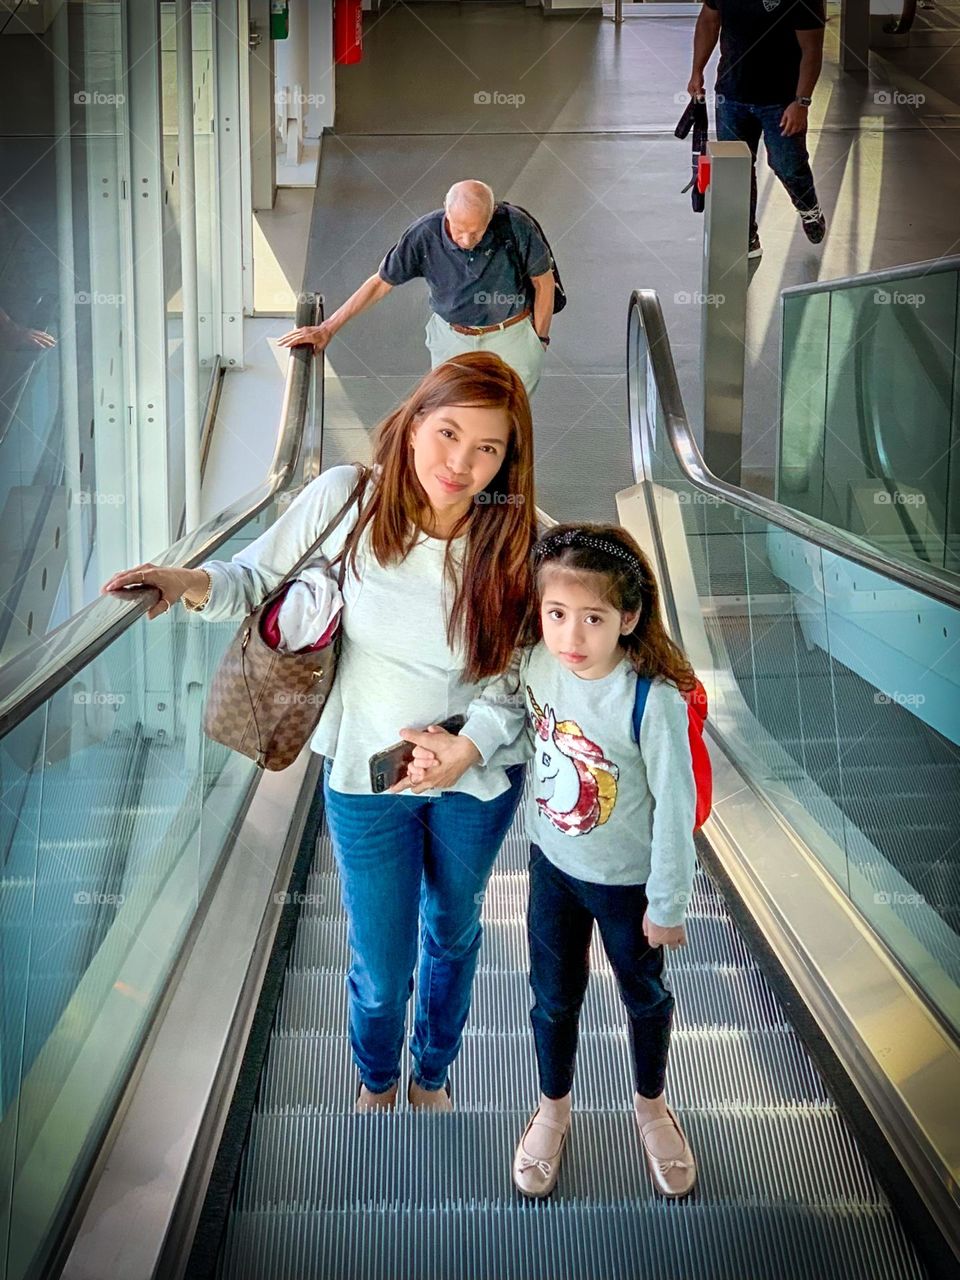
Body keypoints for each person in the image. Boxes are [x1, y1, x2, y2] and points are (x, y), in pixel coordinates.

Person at [101, 352, 537, 1114]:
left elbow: (531, 681)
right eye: (447, 434)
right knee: (381, 958)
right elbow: (253, 580)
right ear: (411, 426)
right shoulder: (348, 502)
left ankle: (432, 1072)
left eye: (488, 448)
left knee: (454, 931)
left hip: (474, 784)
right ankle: (376, 1078)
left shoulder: (522, 543)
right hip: (366, 786)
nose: (461, 464)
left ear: (509, 459)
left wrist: (468, 746)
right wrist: (186, 581)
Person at [512, 524, 699, 1198]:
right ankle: (553, 1109)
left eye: (593, 618)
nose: (572, 637)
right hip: (552, 870)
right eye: (556, 614)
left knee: (642, 996)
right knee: (553, 1000)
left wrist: (668, 904)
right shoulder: (535, 663)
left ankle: (651, 1104)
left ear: (629, 616)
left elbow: (677, 808)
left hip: (629, 887)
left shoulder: (653, 699)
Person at [277, 180, 555, 397]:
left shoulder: (514, 225)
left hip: (512, 337)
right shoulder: (424, 234)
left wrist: (538, 340)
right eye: (459, 230)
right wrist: (327, 328)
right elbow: (379, 284)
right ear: (446, 212)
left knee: (510, 425)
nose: (467, 239)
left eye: (476, 231)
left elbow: (543, 281)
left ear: (491, 215)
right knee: (450, 417)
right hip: (453, 340)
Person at [689, 0, 827, 259]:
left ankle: (809, 207)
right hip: (731, 95)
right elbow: (709, 21)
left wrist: (802, 102)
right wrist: (697, 71)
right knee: (735, 170)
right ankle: (747, 236)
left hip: (782, 100)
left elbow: (811, 50)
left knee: (788, 165)